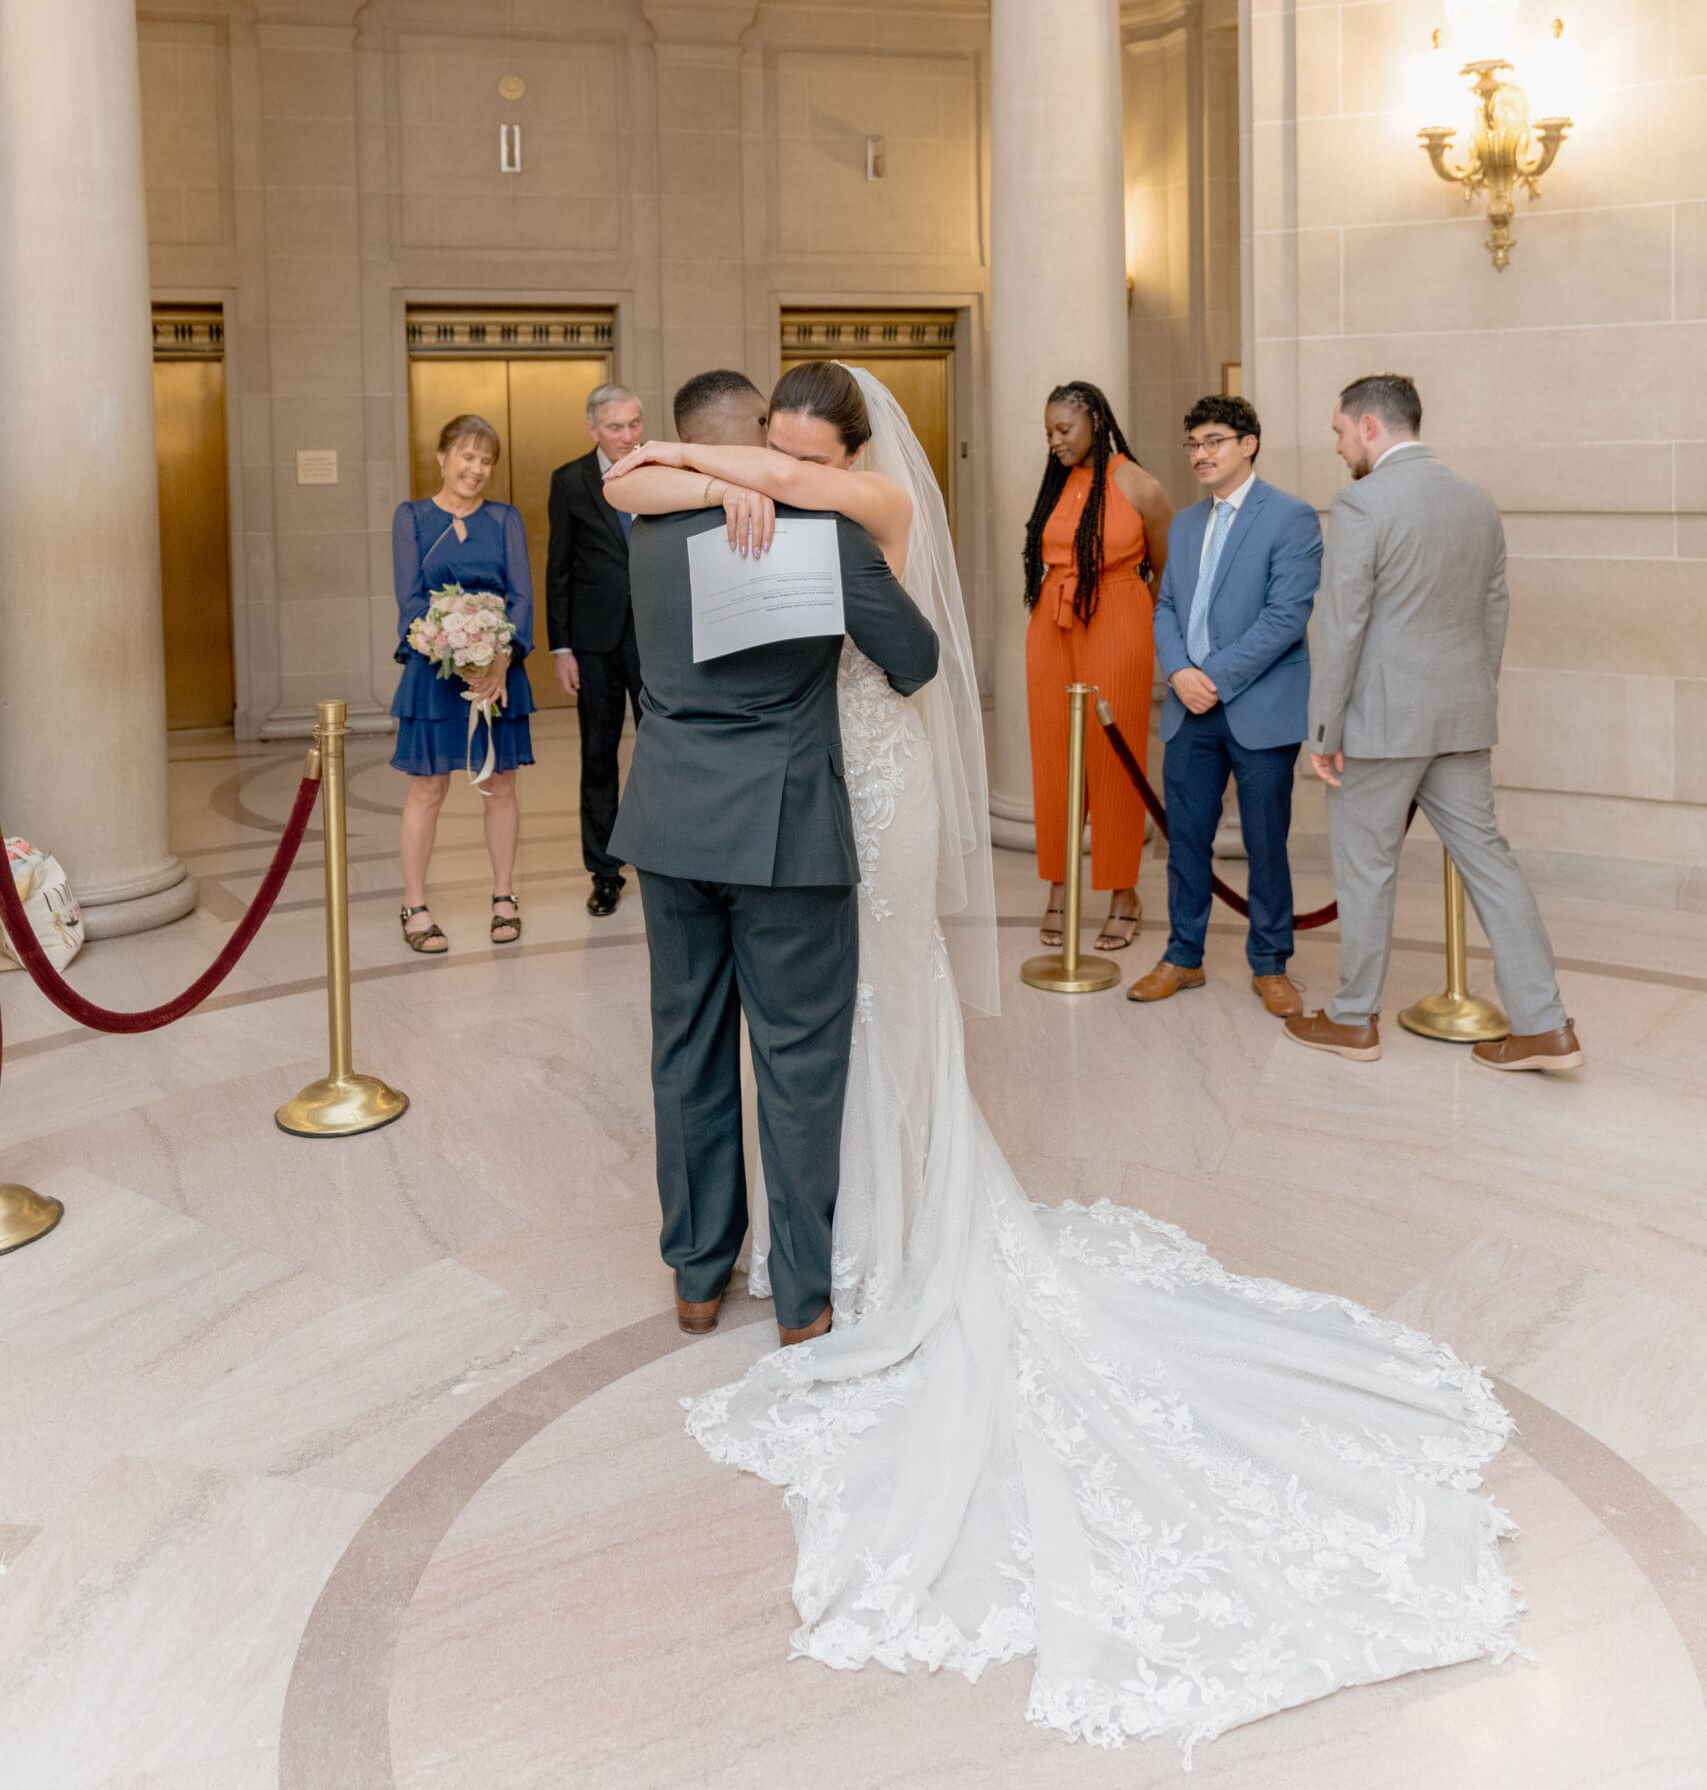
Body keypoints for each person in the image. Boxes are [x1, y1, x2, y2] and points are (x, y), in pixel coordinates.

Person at [610, 364, 1519, 1763]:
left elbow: (681, 497)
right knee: (804, 1044)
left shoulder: (748, 511)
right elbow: (838, 605)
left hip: (772, 807)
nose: (778, 473)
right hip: (794, 804)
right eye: (770, 454)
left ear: (843, 451)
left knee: (786, 1034)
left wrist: (710, 464)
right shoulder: (785, 520)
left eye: (800, 454)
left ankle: (750, 1262)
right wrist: (736, 474)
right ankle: (802, 1280)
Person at [606, 359, 941, 1344]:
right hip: (783, 830)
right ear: (756, 437)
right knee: (797, 1064)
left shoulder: (646, 527)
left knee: (686, 1049)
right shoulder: (823, 536)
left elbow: (621, 475)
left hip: (668, 821)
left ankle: (699, 1277)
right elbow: (914, 660)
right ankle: (802, 1296)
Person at [1287, 372, 1584, 1073]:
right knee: (1492, 864)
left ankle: (1351, 1018)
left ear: (1368, 426)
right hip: (1460, 716)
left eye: (1337, 430)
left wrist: (1322, 731)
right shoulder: (1475, 501)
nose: (1335, 445)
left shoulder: (1361, 503)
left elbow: (1340, 625)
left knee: (1365, 869)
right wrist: (1473, 695)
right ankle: (1544, 1025)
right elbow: (1493, 612)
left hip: (1382, 722)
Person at [1134, 393, 1322, 1017]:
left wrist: (1208, 676)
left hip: (1259, 706)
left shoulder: (1291, 518)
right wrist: (1179, 672)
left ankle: (1270, 964)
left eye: (1213, 440)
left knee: (1267, 842)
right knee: (1184, 840)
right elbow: (1165, 607)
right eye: (1192, 443)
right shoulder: (1186, 524)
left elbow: (1286, 617)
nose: (1199, 454)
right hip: (1190, 709)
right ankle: (1183, 956)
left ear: (1249, 444)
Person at [1023, 380, 1171, 949]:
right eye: (1049, 433)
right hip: (1052, 626)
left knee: (1116, 757)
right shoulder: (1058, 483)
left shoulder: (1139, 484)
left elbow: (1167, 570)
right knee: (1054, 755)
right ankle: (1059, 887)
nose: (1056, 442)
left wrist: (1135, 624)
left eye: (1065, 430)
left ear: (1095, 421)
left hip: (1116, 619)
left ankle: (1121, 891)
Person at [390, 413, 534, 953]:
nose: (476, 469)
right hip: (434, 671)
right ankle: (415, 904)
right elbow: (408, 599)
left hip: (498, 669)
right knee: (428, 788)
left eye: (486, 460)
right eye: (467, 457)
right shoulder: (412, 518)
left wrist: (500, 657)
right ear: (442, 457)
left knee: (501, 783)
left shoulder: (505, 519)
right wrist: (447, 644)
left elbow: (522, 594)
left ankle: (503, 897)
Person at [546, 382, 645, 919]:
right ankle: (604, 871)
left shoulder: (660, 470)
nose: (628, 436)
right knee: (598, 753)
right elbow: (557, 570)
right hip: (595, 643)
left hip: (653, 636)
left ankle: (665, 855)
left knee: (662, 749)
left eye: (634, 423)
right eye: (616, 427)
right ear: (592, 429)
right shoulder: (570, 481)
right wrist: (563, 648)